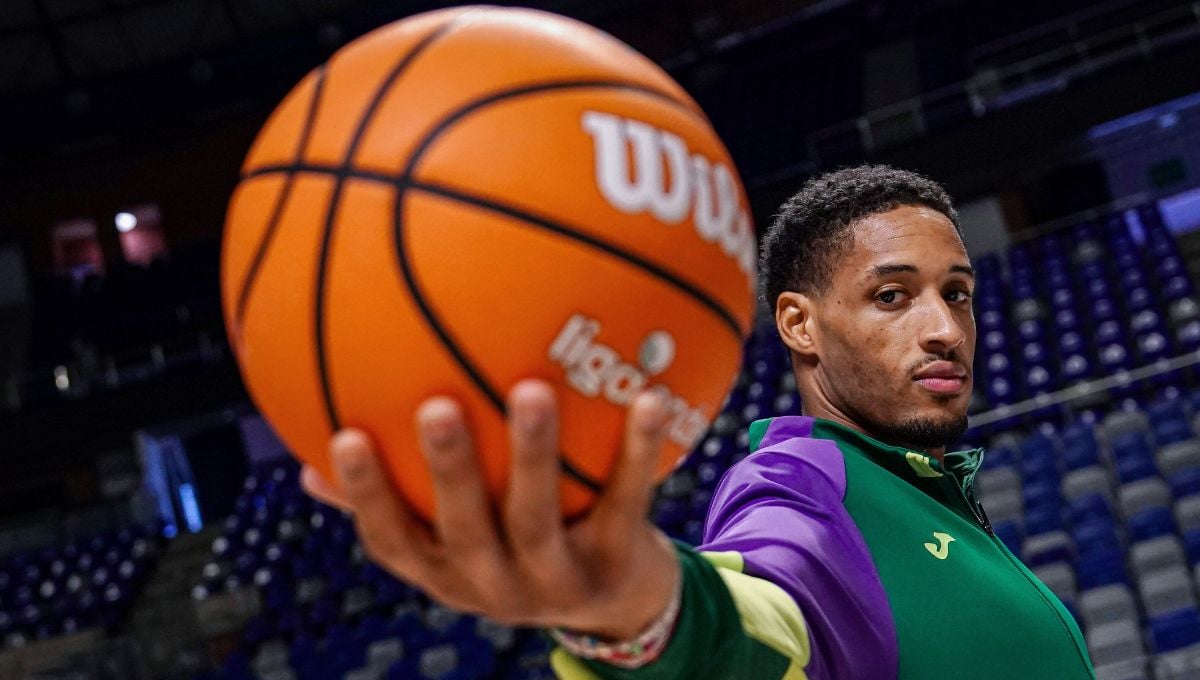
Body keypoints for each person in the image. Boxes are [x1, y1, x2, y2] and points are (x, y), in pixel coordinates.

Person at [301, 165, 1097, 679]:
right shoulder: (804, 485)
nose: (946, 329)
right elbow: (762, 612)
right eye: (892, 297)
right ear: (799, 324)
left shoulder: (930, 493)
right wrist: (638, 614)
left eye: (957, 294)